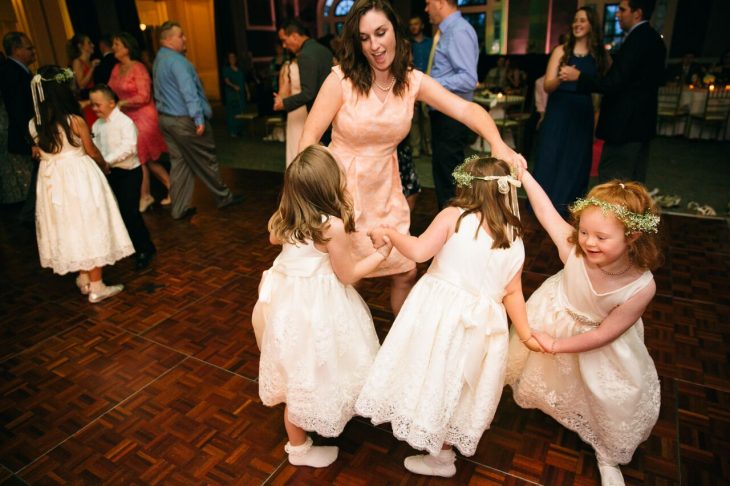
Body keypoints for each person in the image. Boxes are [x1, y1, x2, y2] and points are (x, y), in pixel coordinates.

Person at [299, 0, 524, 315]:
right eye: (365, 38)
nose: (375, 45)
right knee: (349, 277)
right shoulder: (341, 80)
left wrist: (497, 143)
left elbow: (465, 109)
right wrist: (306, 199)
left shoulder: (411, 81)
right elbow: (307, 142)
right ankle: (346, 342)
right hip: (342, 189)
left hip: (386, 187)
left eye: (381, 32)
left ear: (395, 31)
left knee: (404, 270)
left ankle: (398, 349)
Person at [356, 156, 540, 477]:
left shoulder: (454, 216)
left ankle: (431, 438)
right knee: (458, 382)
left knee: (433, 369)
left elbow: (418, 251)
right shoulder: (514, 237)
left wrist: (390, 233)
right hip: (484, 324)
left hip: (441, 314)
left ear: (465, 187)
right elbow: (513, 292)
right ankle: (443, 454)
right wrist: (525, 333)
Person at [507, 171, 662, 486]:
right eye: (584, 232)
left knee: (606, 397)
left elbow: (604, 335)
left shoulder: (641, 286)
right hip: (557, 313)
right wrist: (523, 174)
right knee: (553, 378)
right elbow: (546, 210)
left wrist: (555, 345)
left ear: (632, 236)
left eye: (601, 237)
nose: (589, 242)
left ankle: (607, 455)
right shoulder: (573, 249)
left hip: (600, 340)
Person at [251, 145, 391, 468]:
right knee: (323, 363)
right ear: (329, 187)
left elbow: (275, 238)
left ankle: (299, 444)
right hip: (318, 309)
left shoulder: (285, 219)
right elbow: (348, 274)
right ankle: (300, 451)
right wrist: (380, 255)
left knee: (298, 375)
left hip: (287, 308)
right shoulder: (331, 227)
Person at [29, 66, 133, 302]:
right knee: (89, 224)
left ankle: (84, 277)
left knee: (70, 226)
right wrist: (105, 165)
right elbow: (91, 150)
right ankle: (97, 286)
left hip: (52, 181)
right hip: (78, 177)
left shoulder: (34, 124)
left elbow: (40, 151)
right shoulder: (74, 121)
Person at [559, 0, 666, 183]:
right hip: (640, 124)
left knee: (614, 182)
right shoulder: (654, 39)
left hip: (624, 125)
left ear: (637, 13)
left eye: (622, 10)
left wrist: (580, 77)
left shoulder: (637, 40)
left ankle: (614, 213)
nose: (617, 14)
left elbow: (613, 83)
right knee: (634, 182)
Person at [153, 20, 242, 220]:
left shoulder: (159, 59)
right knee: (207, 158)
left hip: (166, 120)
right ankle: (224, 197)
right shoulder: (178, 61)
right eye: (181, 35)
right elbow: (188, 91)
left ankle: (179, 208)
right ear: (168, 39)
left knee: (180, 164)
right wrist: (198, 118)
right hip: (184, 120)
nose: (185, 39)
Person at [533, 7, 608, 216]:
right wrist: (561, 77)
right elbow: (547, 86)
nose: (577, 24)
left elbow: (606, 85)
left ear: (592, 24)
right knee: (550, 156)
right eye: (575, 20)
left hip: (581, 112)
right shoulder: (561, 51)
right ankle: (543, 207)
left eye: (582, 20)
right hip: (558, 109)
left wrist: (579, 77)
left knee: (575, 160)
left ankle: (568, 207)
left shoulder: (600, 55)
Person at [90, 84, 157, 270]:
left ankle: (145, 248)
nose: (94, 109)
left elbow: (129, 148)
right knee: (117, 213)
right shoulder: (97, 125)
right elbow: (96, 147)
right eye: (93, 105)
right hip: (110, 173)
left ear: (111, 103)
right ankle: (132, 247)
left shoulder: (125, 122)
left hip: (128, 173)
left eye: (98, 105)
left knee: (130, 212)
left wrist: (107, 162)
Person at [425, 0, 480, 209]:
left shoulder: (458, 31)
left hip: (452, 116)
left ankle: (450, 232)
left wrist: (429, 85)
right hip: (443, 115)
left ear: (439, 3)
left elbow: (468, 79)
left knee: (450, 181)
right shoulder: (447, 31)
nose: (426, 9)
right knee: (444, 176)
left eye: (428, 3)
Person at [109, 32, 171, 212]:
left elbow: (144, 96)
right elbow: (109, 90)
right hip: (127, 118)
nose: (114, 48)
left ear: (127, 48)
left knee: (141, 158)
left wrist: (122, 103)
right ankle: (169, 188)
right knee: (146, 160)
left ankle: (146, 196)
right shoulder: (116, 69)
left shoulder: (139, 68)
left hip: (144, 117)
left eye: (117, 44)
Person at [273, 18, 333, 145]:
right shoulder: (325, 50)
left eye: (284, 40)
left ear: (294, 36)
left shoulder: (305, 55)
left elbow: (308, 93)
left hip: (319, 116)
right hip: (333, 113)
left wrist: (284, 103)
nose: (284, 45)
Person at [0, 32, 35, 208]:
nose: (33, 52)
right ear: (16, 50)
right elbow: (18, 110)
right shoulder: (10, 72)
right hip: (23, 137)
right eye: (29, 48)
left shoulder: (20, 70)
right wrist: (30, 139)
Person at [408, 15, 432, 158]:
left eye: (416, 24)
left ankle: (428, 146)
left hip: (429, 84)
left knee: (427, 117)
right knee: (414, 118)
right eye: (411, 24)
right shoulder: (407, 44)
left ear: (422, 26)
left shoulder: (430, 43)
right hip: (412, 85)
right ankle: (415, 147)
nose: (413, 27)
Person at [277, 57, 307, 165]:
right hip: (295, 109)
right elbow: (283, 94)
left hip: (307, 108)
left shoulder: (308, 65)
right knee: (296, 142)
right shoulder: (288, 67)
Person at [67, 33, 100, 127]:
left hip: (94, 98)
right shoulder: (77, 61)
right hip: (86, 101)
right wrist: (92, 68)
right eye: (89, 43)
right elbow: (81, 84)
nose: (92, 45)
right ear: (80, 46)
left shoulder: (90, 61)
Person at [221, 52, 249, 138]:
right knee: (233, 112)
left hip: (241, 93)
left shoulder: (239, 69)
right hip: (232, 94)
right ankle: (233, 130)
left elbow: (244, 82)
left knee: (242, 110)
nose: (232, 59)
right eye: (230, 58)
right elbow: (226, 80)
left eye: (233, 57)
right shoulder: (227, 70)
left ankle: (241, 129)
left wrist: (247, 92)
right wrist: (234, 86)